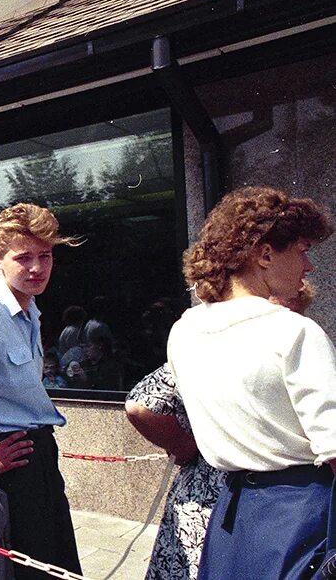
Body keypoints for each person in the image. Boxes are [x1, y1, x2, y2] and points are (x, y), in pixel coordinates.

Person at [168, 186, 336, 579]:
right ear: (265, 254)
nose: (308, 266)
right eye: (302, 250)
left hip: (233, 518)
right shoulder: (294, 331)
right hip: (304, 514)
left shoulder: (184, 331)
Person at [0, 203, 82, 580]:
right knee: (25, 572)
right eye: (23, 257)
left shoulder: (28, 308)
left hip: (37, 455)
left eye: (45, 256)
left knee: (55, 567)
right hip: (9, 463)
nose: (37, 268)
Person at [126, 365, 225, 580]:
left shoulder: (205, 342)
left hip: (201, 494)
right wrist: (185, 446)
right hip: (261, 494)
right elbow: (140, 407)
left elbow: (140, 404)